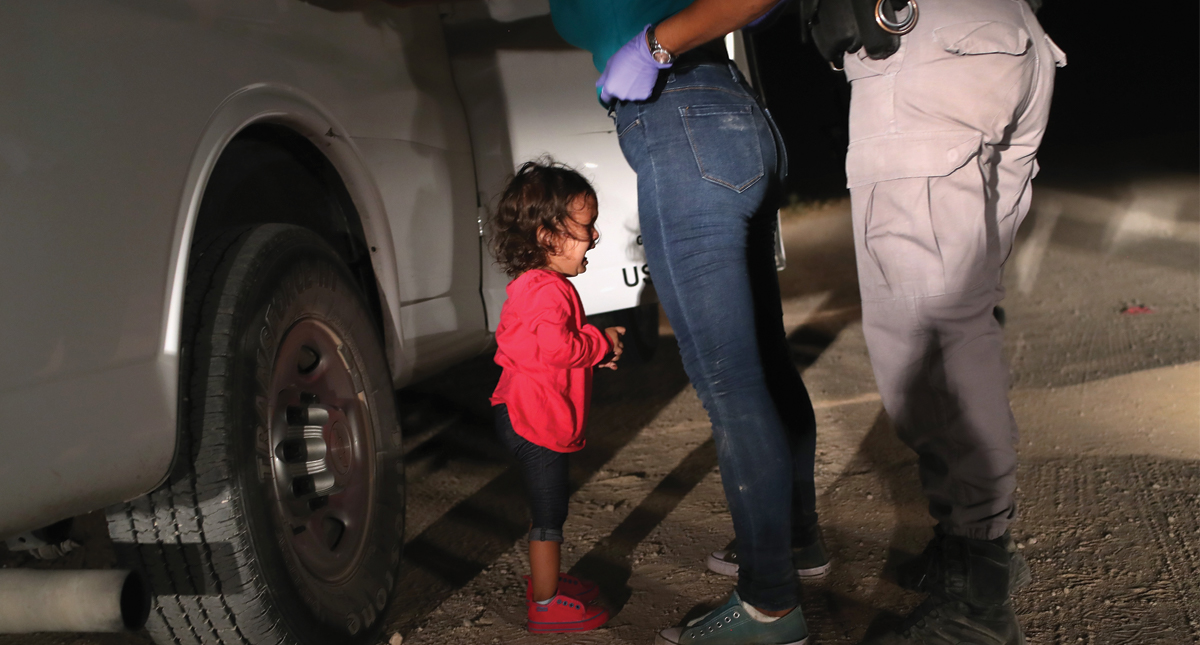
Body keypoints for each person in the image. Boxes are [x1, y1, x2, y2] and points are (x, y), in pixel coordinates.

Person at [548, 2, 827, 644]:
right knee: (762, 362)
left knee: (730, 383)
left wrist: (651, 48)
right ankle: (797, 543)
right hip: (733, 117)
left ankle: (769, 606)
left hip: (680, 124)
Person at [803, 0, 1065, 642]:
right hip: (1006, 38)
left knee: (930, 334)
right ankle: (972, 549)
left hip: (928, 43)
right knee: (961, 316)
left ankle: (979, 595)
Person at [488, 160, 626, 634]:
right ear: (549, 236)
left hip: (522, 411)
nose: (594, 237)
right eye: (585, 228)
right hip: (534, 420)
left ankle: (549, 583)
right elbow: (557, 347)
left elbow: (548, 348)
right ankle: (544, 603)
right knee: (549, 513)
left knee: (549, 508)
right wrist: (600, 343)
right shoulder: (547, 291)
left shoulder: (536, 287)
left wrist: (592, 350)